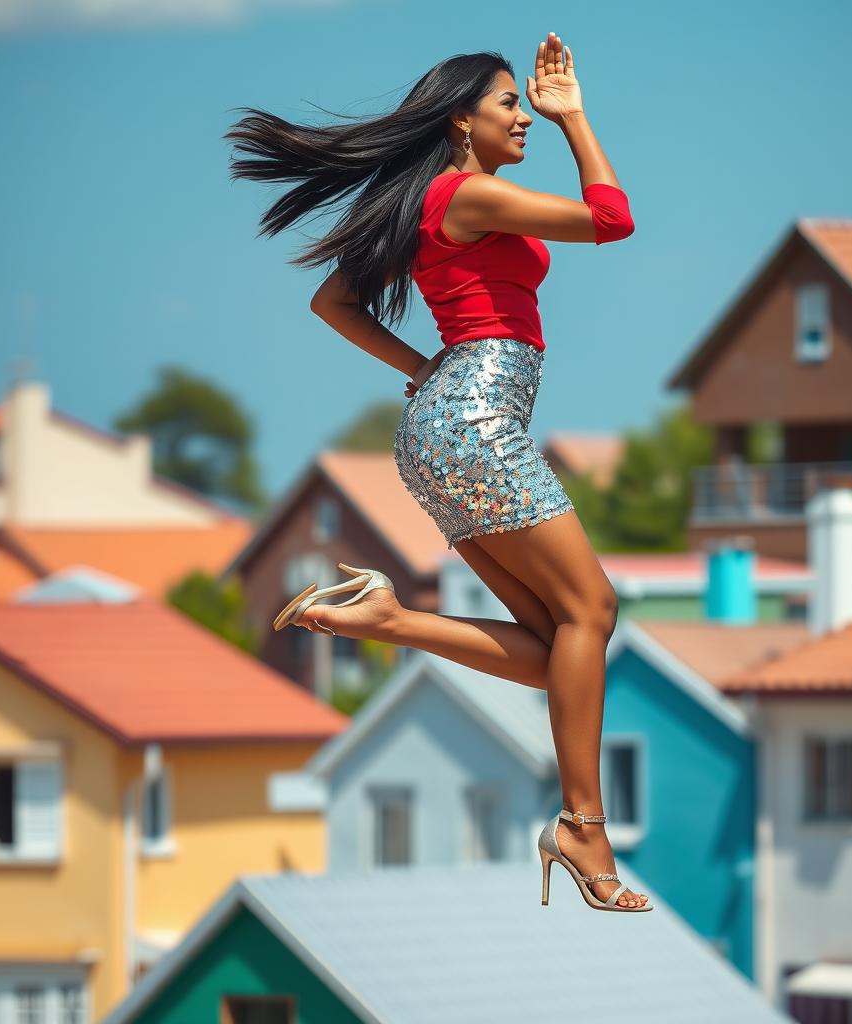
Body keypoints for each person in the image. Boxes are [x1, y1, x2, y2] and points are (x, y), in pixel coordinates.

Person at [226, 33, 649, 911]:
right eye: (510, 105)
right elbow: (612, 219)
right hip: (477, 423)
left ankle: (388, 619)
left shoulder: (428, 201)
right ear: (463, 121)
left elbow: (330, 302)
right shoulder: (472, 194)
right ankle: (582, 824)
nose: (525, 114)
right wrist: (578, 119)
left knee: (559, 651)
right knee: (594, 611)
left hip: (443, 425)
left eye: (530, 107)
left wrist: (423, 372)